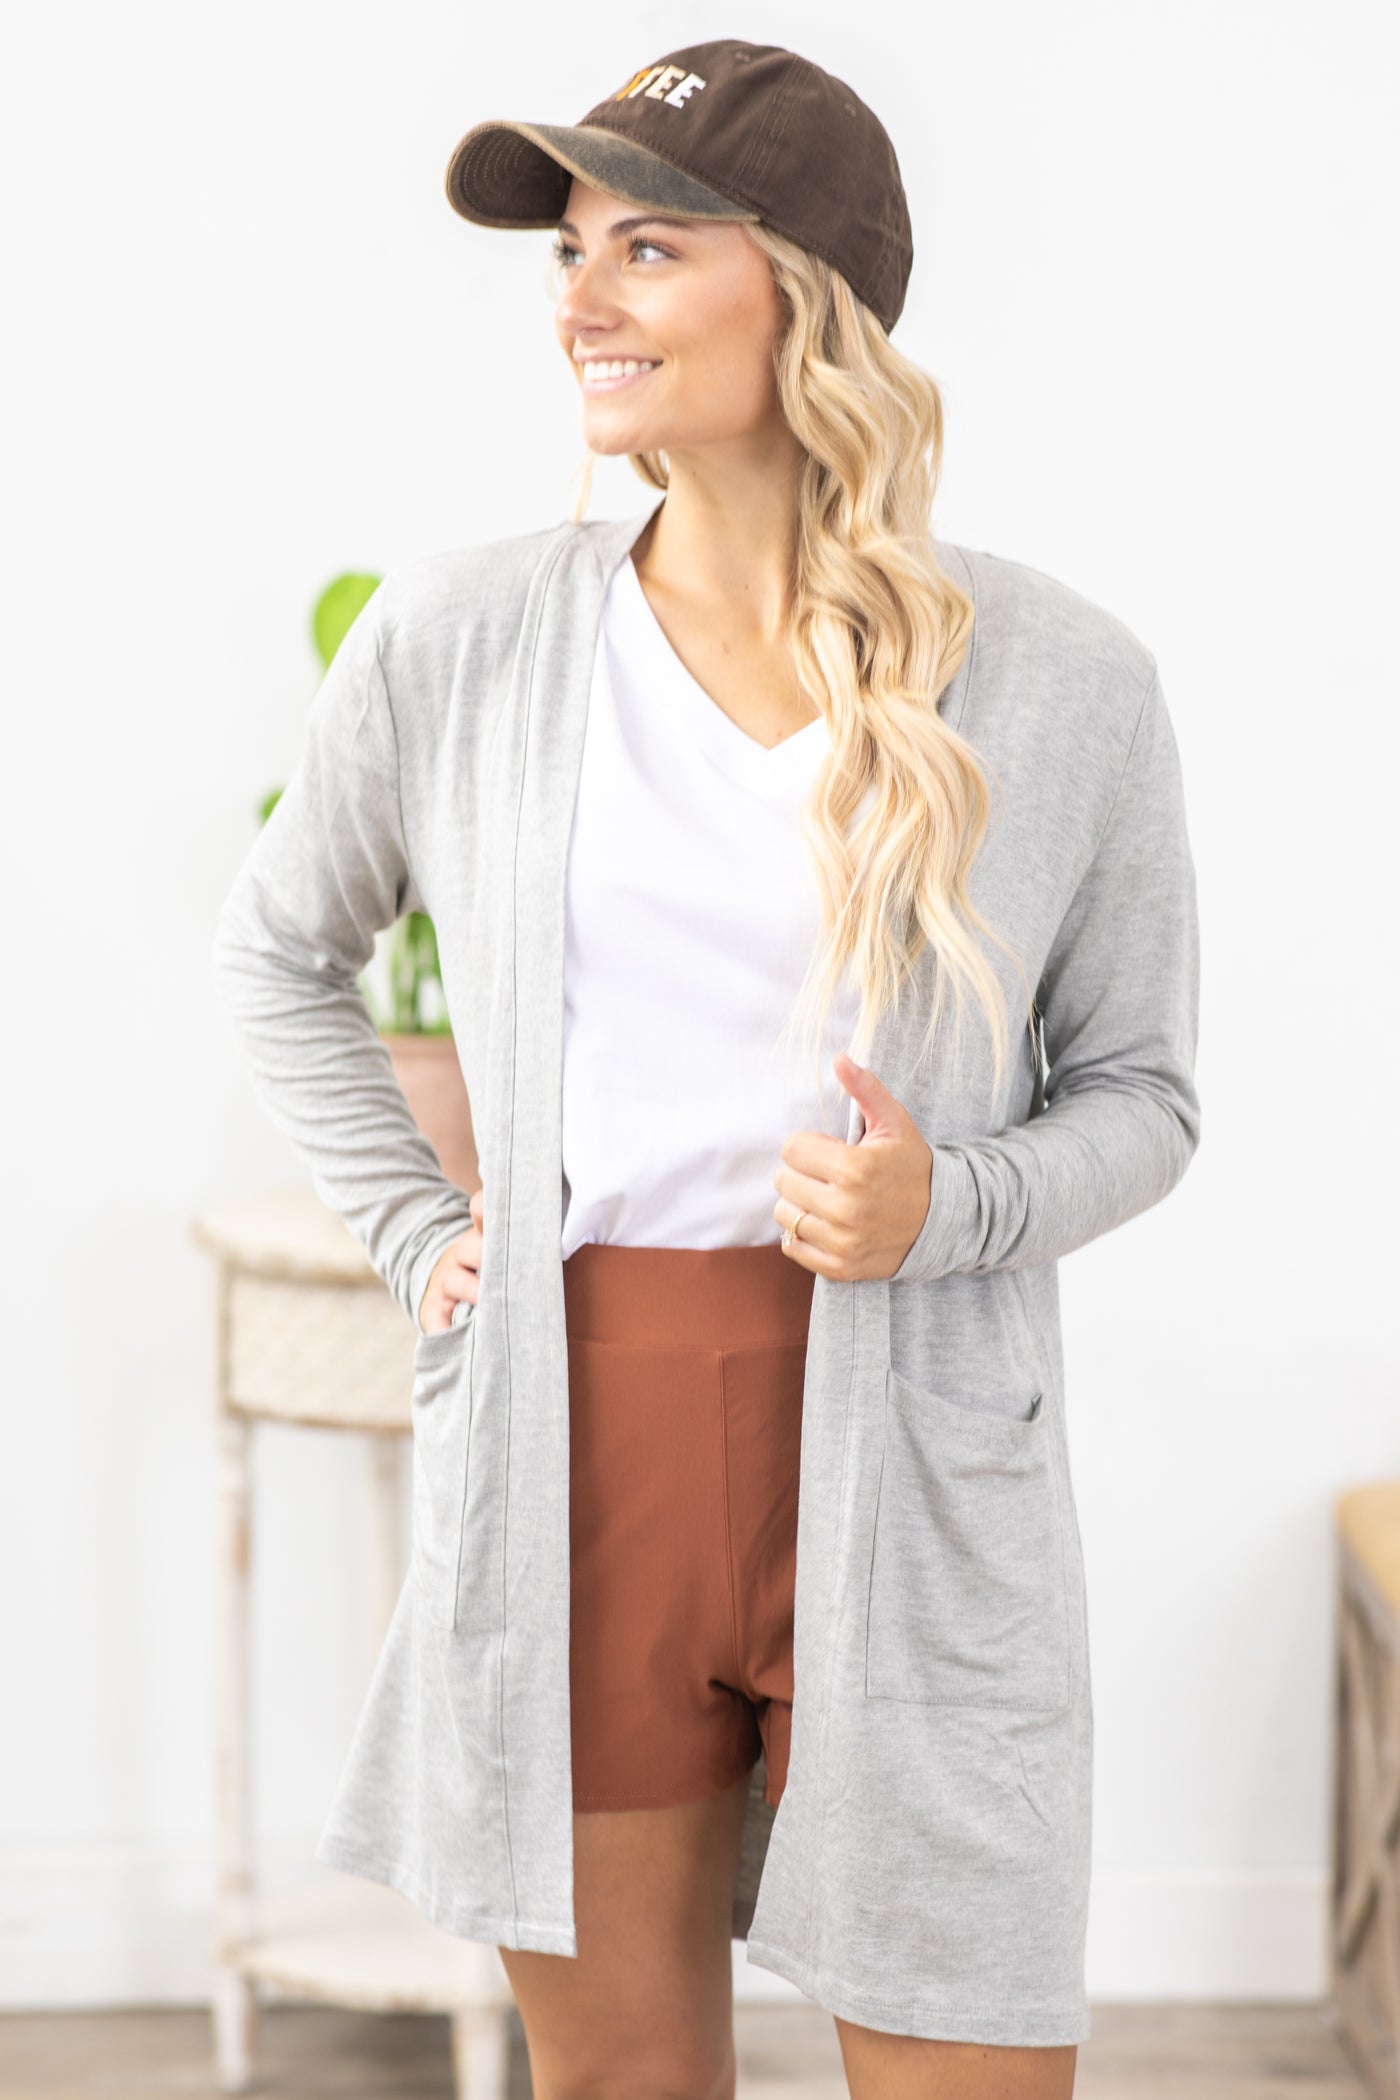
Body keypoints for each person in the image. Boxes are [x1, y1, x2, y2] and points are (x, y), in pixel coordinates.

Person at [213, 38, 1201, 2100]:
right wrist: (414, 1231)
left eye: (645, 249)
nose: (580, 298)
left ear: (804, 291)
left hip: (922, 1457)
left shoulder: (1062, 679)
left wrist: (951, 1203)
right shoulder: (460, 640)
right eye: (568, 252)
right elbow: (280, 951)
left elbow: (1143, 1090)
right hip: (583, 1446)